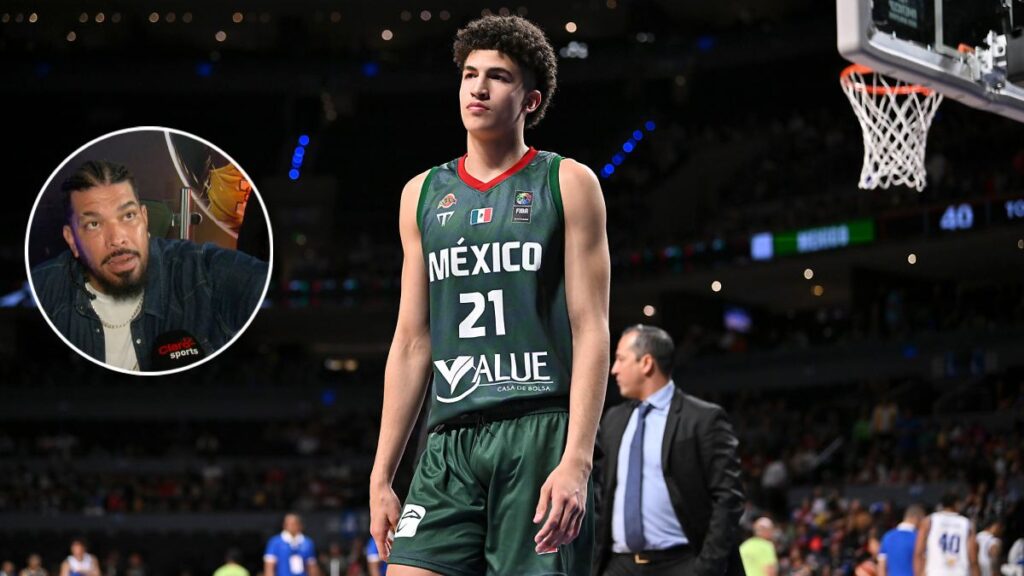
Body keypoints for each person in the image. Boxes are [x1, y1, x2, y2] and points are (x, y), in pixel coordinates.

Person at [368, 13, 610, 576]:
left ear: (530, 100)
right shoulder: (421, 194)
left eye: (498, 76)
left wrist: (577, 457)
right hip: (448, 441)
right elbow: (411, 342)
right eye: (470, 74)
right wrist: (383, 476)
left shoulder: (568, 182)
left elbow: (591, 326)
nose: (478, 87)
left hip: (538, 431)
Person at [30, 159, 268, 371]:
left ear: (144, 219)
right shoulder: (43, 293)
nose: (117, 239)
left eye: (128, 216)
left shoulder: (201, 272)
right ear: (72, 239)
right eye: (94, 224)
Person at [595, 325, 745, 575]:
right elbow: (601, 492)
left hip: (681, 563)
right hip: (619, 565)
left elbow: (728, 497)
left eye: (621, 359)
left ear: (646, 363)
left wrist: (706, 567)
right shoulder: (612, 420)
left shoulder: (703, 418)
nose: (614, 369)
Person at [914, 493, 979, 576]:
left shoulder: (929, 521)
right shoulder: (967, 524)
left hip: (935, 572)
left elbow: (919, 552)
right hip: (960, 572)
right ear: (957, 504)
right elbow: (973, 558)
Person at [878, 504, 925, 576]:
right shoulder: (920, 538)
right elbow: (923, 565)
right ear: (917, 518)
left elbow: (881, 567)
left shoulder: (888, 536)